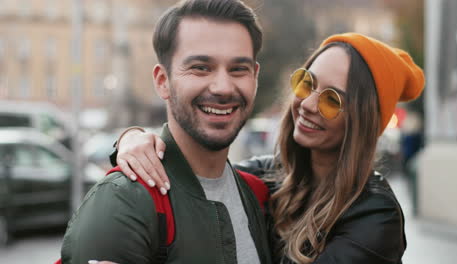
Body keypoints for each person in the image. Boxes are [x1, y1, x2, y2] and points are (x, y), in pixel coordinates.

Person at [113, 33, 425, 263]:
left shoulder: (375, 215)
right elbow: (186, 178)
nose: (309, 104)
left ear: (363, 121)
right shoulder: (267, 176)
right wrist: (133, 139)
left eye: (332, 100)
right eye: (307, 83)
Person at [59, 0, 273, 264]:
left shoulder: (258, 194)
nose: (223, 88)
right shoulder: (124, 200)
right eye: (201, 68)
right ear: (163, 82)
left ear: (255, 77)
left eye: (239, 69)